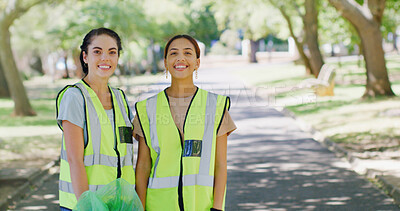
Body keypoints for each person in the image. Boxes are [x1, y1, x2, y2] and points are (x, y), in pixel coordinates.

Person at [134, 34, 236, 211]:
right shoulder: (147, 108)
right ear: (165, 63)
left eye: (187, 53)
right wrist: (140, 208)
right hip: (157, 206)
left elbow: (220, 164)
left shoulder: (216, 106)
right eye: (173, 53)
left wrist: (218, 208)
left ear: (197, 62)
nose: (180, 58)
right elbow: (143, 166)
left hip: (202, 206)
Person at [56, 27, 135, 210]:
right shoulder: (75, 97)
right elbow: (75, 160)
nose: (105, 58)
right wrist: (88, 206)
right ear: (85, 57)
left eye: (112, 52)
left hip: (119, 204)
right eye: (97, 52)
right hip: (86, 205)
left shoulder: (120, 98)